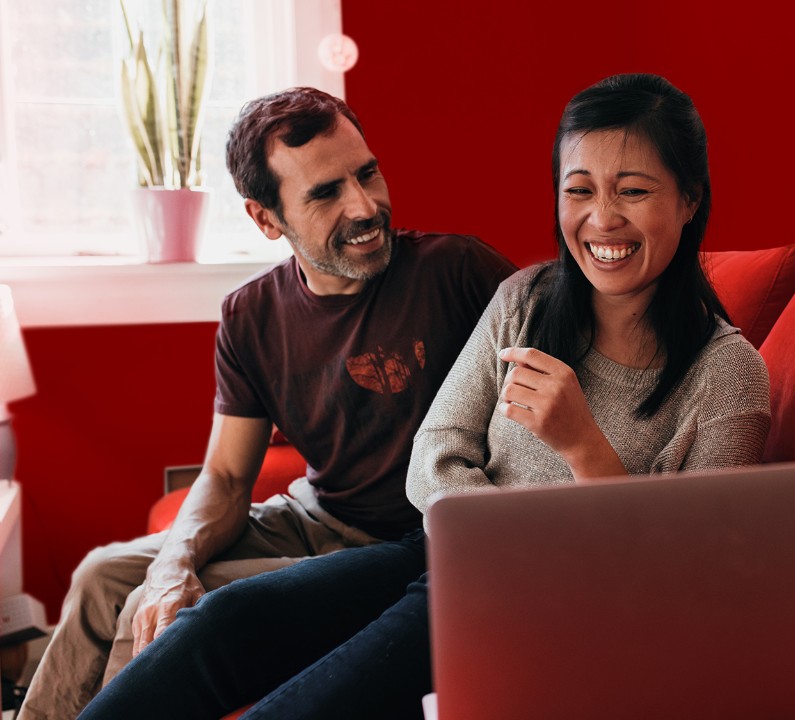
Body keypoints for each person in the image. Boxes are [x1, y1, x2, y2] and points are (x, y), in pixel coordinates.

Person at [78, 72, 771, 720]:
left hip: (561, 604)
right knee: (220, 624)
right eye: (579, 189)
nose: (601, 219)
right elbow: (433, 455)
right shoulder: (524, 300)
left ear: (690, 198)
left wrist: (584, 448)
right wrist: (503, 536)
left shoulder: (728, 375)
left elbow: (685, 584)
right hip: (446, 556)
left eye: (634, 191)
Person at [17, 87, 515, 720]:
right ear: (265, 218)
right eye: (325, 193)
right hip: (313, 516)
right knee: (99, 577)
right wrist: (175, 558)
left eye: (367, 174)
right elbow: (226, 476)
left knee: (156, 610)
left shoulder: (457, 273)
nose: (365, 207)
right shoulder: (250, 314)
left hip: (397, 549)